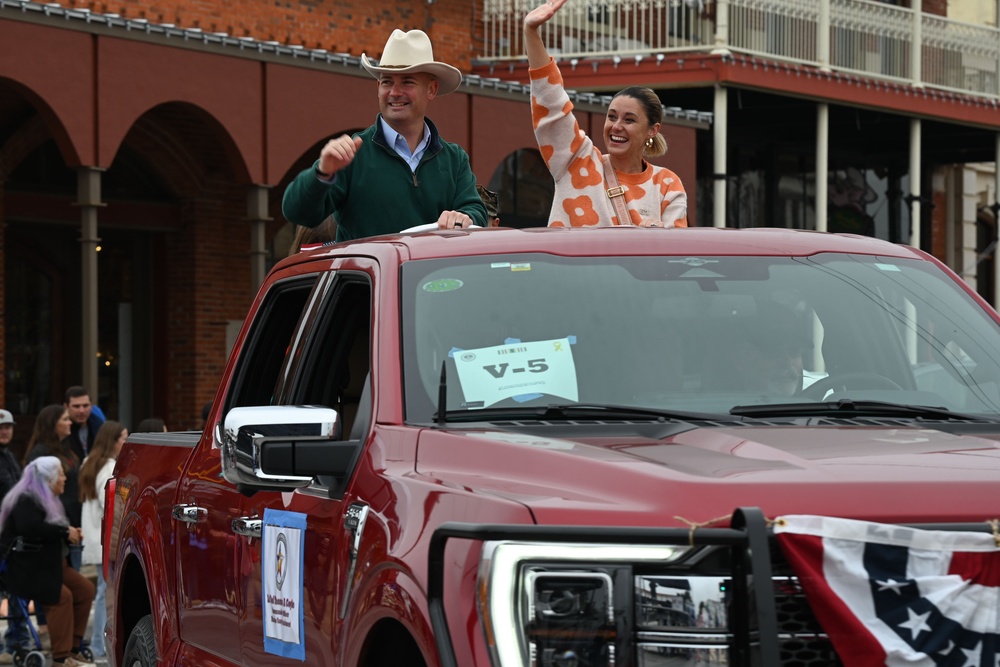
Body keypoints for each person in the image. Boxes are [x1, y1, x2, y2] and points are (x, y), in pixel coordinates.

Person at [281, 28, 487, 241]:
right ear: (378, 87)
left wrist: (464, 218)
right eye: (387, 81)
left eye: (407, 82)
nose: (395, 92)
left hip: (434, 275)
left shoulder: (454, 159)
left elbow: (477, 213)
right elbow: (296, 212)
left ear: (431, 90)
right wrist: (322, 173)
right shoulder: (353, 155)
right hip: (371, 275)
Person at [523, 0, 688, 228]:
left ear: (653, 129)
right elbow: (552, 104)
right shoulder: (576, 161)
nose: (616, 126)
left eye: (629, 119)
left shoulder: (667, 184)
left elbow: (675, 256)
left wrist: (658, 238)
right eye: (612, 117)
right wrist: (531, 31)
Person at [0, 457, 96, 667]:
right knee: (62, 597)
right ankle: (61, 658)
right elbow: (31, 528)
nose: (64, 478)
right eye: (60, 474)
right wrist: (64, 531)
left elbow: (47, 530)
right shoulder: (26, 499)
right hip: (25, 570)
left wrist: (69, 532)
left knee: (85, 590)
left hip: (49, 565)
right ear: (48, 478)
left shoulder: (47, 498)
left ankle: (73, 648)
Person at [80, 421, 127, 658]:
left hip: (96, 536)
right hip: (105, 538)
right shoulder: (108, 468)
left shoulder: (90, 463)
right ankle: (99, 645)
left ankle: (99, 644)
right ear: (112, 440)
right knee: (103, 593)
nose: (126, 443)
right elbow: (108, 504)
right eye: (123, 438)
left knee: (101, 591)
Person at [23, 405, 84, 572]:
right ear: (52, 425)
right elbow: (39, 494)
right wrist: (62, 527)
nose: (70, 422)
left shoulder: (67, 450)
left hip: (73, 521)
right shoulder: (40, 454)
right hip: (57, 526)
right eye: (65, 419)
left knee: (76, 580)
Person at [0, 410, 29, 664]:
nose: (5, 431)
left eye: (8, 427)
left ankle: (16, 640)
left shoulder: (9, 456)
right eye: (1, 428)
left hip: (11, 536)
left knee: (17, 590)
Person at [64, 387, 105, 462]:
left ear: (91, 406)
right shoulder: (60, 429)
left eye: (85, 406)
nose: (82, 411)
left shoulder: (99, 425)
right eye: (76, 406)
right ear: (66, 407)